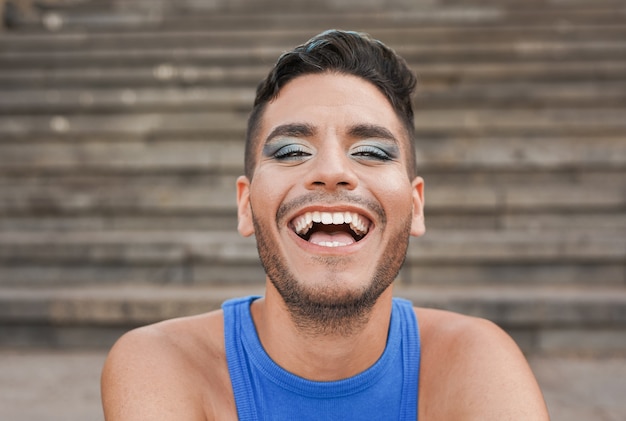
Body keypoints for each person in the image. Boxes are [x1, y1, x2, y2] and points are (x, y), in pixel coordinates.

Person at [101, 29, 549, 420]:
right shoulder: (160, 364)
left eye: (372, 152)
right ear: (245, 205)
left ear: (416, 206)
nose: (332, 170)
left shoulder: (477, 361)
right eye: (291, 151)